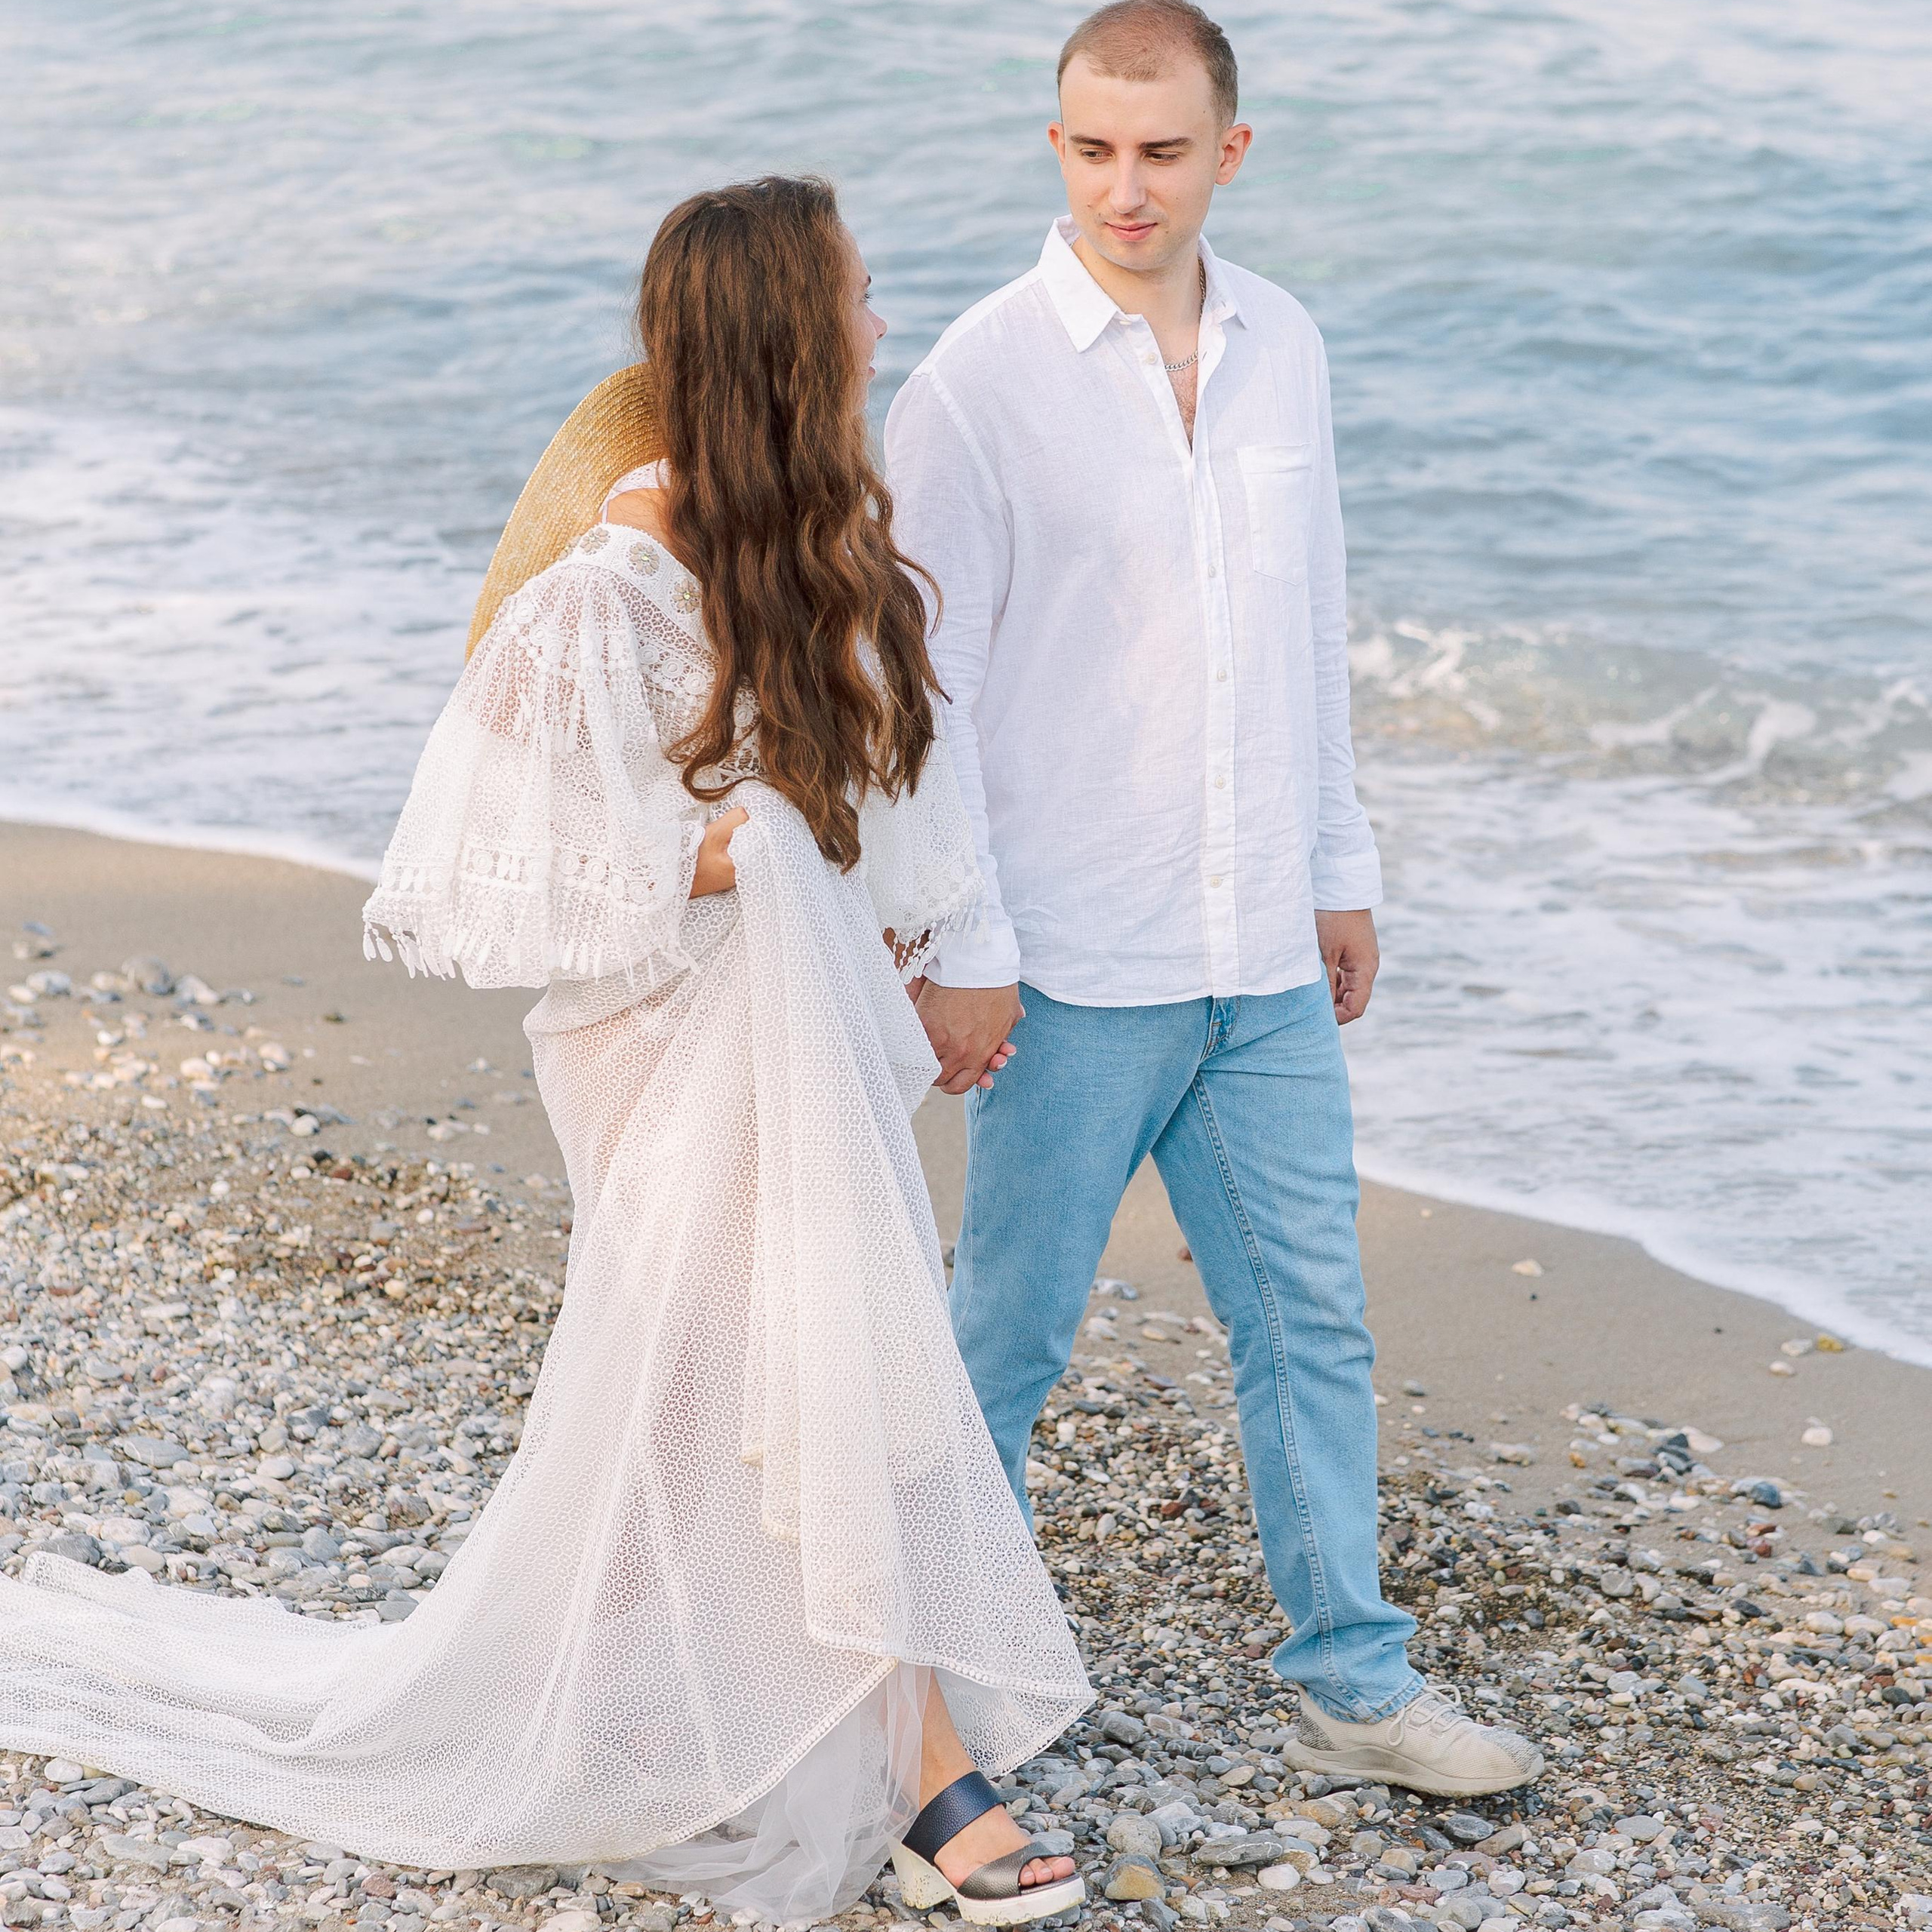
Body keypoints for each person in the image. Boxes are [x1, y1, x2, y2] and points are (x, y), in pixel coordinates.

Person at [0, 177, 1091, 1927]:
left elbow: (905, 782)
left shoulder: (830, 537)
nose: (883, 321)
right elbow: (472, 874)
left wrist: (937, 942)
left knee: (736, 1385)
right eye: (860, 296)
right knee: (808, 1371)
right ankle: (925, 1764)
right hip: (660, 1030)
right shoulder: (610, 575)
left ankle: (626, 1687)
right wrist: (727, 850)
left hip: (799, 1017)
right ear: (790, 336)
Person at [884, 2, 1543, 1795]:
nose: (1124, 185)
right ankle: (929, 1714)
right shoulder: (973, 380)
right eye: (1091, 148)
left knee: (1308, 1320)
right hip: (1065, 965)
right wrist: (967, 951)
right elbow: (916, 696)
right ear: (1055, 148)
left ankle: (1351, 1676)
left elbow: (1303, 625)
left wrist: (1341, 870)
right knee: (1001, 1344)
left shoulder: (1288, 348)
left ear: (1226, 153)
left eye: (1160, 151)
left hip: (1256, 951)